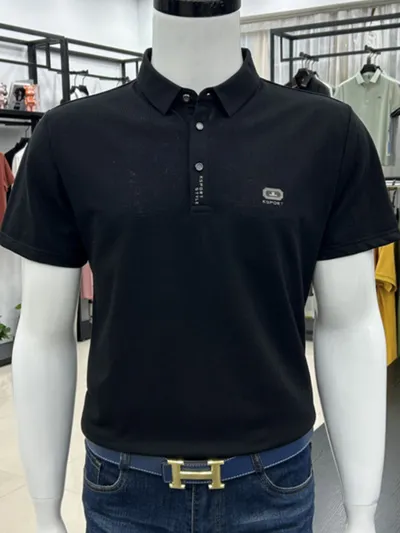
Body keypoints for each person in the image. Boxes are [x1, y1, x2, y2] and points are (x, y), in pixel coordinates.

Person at [0, 0, 398, 531]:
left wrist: (363, 511)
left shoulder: (328, 133)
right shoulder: (67, 136)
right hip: (124, 492)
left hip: (274, 487)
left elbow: (350, 324)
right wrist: (45, 509)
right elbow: (43, 334)